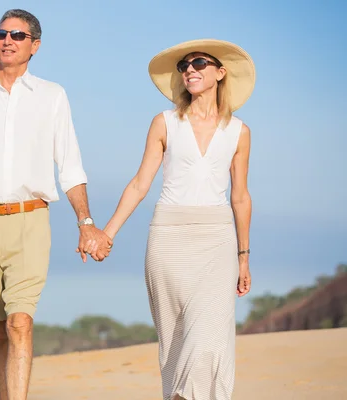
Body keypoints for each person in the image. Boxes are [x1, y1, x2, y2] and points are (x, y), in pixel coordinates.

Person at [0, 9, 112, 400]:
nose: (7, 40)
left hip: (31, 220)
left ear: (35, 46)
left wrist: (87, 221)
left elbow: (71, 166)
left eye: (17, 35)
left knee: (20, 322)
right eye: (1, 33)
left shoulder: (52, 96)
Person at [96, 39, 255, 399]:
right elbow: (139, 184)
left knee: (207, 342)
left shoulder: (239, 132)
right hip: (168, 239)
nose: (190, 70)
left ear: (220, 72)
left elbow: (240, 196)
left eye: (199, 63)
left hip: (217, 241)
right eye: (184, 66)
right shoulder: (164, 123)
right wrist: (108, 233)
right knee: (174, 344)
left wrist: (244, 257)